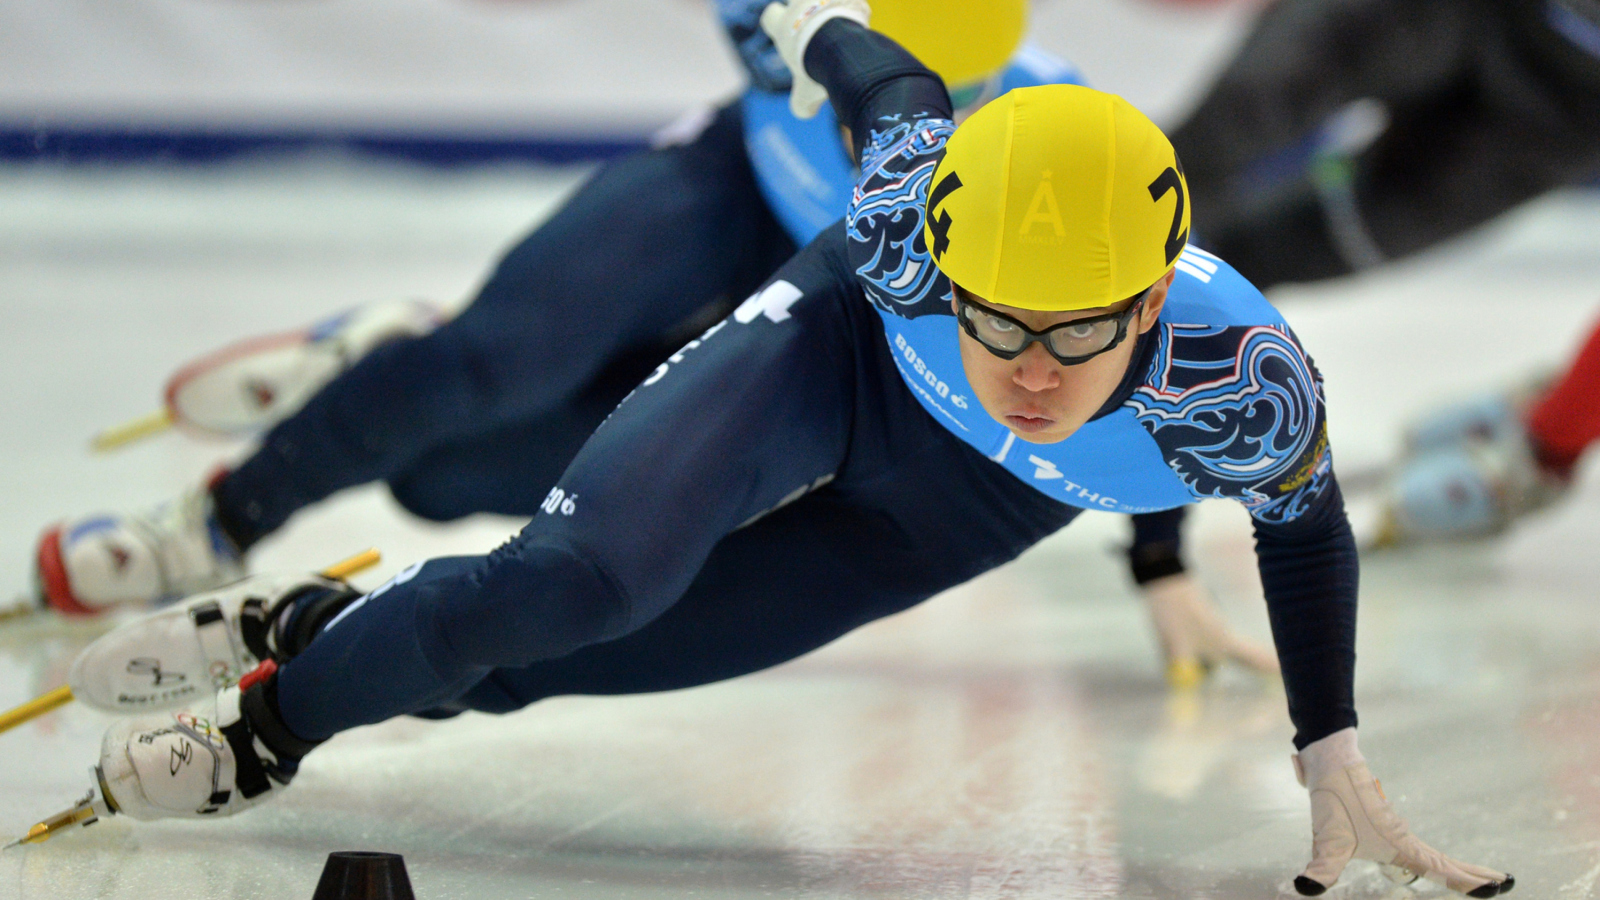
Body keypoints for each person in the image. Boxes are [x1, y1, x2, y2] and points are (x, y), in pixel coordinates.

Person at [72, 4, 1510, 894]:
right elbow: (886, 88)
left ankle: (316, 629)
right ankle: (268, 729)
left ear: (1150, 301)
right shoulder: (900, 227)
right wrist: (811, 9)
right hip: (834, 354)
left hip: (962, 513)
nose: (1023, 368)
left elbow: (1298, 527)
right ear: (940, 250)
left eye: (1075, 337)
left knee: (549, 671)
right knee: (578, 580)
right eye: (992, 319)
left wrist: (1330, 746)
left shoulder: (1247, 383)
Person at [31, 0, 1274, 682]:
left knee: (452, 471)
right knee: (491, 362)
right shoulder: (830, 38)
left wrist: (1158, 558)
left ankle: (386, 366)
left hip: (836, 300)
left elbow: (1134, 347)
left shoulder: (1045, 131)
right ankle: (214, 520)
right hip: (728, 195)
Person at [1167, 0, 1600, 542]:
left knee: (1292, 245)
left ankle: (1108, 346)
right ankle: (1060, 284)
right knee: (1214, 139)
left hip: (1567, 105)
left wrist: (1553, 435)